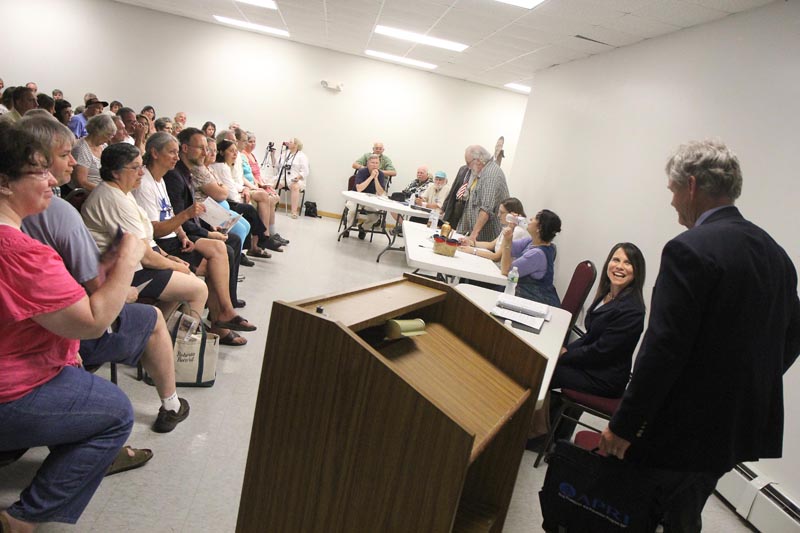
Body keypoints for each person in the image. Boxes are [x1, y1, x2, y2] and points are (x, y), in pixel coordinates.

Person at [600, 140, 800, 531]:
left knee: (635, 512)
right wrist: (743, 387)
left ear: (691, 186)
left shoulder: (688, 250)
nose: (672, 201)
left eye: (673, 190)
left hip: (677, 429)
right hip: (734, 432)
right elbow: (791, 337)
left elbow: (663, 350)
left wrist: (624, 425)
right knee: (684, 511)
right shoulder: (777, 255)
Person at [0, 124, 137, 531]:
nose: (51, 180)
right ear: (5, 183)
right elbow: (94, 322)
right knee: (116, 413)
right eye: (39, 171)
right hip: (11, 389)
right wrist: (128, 260)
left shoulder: (18, 237)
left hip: (21, 362)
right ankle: (24, 518)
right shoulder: (20, 251)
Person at [18, 115, 190, 434]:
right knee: (153, 317)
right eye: (64, 155)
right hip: (63, 329)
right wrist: (125, 273)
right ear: (35, 161)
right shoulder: (56, 214)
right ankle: (171, 401)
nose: (74, 163)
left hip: (50, 319)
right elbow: (96, 304)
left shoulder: (51, 209)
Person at [133, 133, 256, 342]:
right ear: (154, 153)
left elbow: (169, 213)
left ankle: (221, 316)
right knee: (216, 260)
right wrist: (188, 218)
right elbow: (156, 230)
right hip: (160, 245)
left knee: (221, 249)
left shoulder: (161, 178)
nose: (175, 156)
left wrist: (182, 233)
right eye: (171, 152)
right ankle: (211, 325)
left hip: (174, 237)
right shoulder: (149, 181)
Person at [531, 242, 646, 449]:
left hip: (604, 377)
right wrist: (564, 350)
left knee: (545, 371)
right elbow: (590, 336)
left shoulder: (632, 310)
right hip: (592, 365)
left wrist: (565, 355)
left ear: (637, 271)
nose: (619, 266)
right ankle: (543, 430)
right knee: (547, 362)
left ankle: (538, 434)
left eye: (628, 263)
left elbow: (602, 351)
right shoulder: (607, 294)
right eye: (616, 259)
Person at [81, 143, 210, 323]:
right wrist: (174, 266)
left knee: (187, 280)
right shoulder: (114, 199)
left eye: (141, 166)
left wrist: (168, 257)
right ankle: (183, 347)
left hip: (134, 266)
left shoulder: (123, 192)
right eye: (135, 167)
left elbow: (147, 240)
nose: (141, 172)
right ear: (115, 172)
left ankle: (159, 335)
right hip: (121, 274)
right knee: (198, 289)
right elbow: (145, 256)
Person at [165, 127, 246, 308]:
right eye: (201, 148)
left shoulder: (187, 172)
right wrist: (207, 234)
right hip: (178, 236)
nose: (206, 153)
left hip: (188, 228)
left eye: (207, 149)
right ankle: (223, 310)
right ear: (185, 148)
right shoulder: (175, 176)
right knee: (227, 247)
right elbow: (180, 218)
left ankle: (225, 306)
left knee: (232, 240)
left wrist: (209, 230)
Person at [500, 209, 561, 307]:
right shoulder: (532, 242)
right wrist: (511, 227)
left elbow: (506, 270)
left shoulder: (537, 254)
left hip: (538, 303)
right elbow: (508, 249)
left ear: (539, 228)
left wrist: (507, 240)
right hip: (526, 298)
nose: (531, 219)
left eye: (535, 218)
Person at [241, 131, 288, 245]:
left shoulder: (252, 155)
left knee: (275, 197)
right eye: (249, 141)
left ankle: (271, 233)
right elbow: (249, 175)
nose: (252, 144)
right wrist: (258, 185)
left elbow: (258, 174)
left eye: (254, 142)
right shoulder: (243, 155)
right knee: (270, 199)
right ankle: (266, 235)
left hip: (257, 183)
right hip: (252, 184)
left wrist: (262, 183)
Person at [457, 144, 510, 242]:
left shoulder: (490, 175)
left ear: (478, 160)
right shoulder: (482, 172)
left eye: (468, 163)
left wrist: (473, 236)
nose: (468, 167)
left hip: (487, 239)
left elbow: (486, 209)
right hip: (477, 237)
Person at [458, 197, 528, 261]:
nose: (498, 215)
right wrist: (470, 243)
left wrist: (472, 250)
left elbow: (497, 257)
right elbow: (491, 245)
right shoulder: (509, 227)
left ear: (512, 215)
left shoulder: (517, 231)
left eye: (502, 213)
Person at [343, 153, 387, 240]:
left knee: (375, 216)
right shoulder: (362, 171)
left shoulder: (381, 174)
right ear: (367, 163)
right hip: (356, 197)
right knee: (352, 210)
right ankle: (347, 228)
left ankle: (363, 228)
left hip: (370, 199)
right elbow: (359, 189)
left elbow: (380, 192)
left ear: (379, 164)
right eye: (372, 163)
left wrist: (376, 179)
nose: (375, 165)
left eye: (376, 163)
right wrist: (371, 177)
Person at [69, 113, 116, 191]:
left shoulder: (103, 146)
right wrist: (105, 191)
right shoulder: (81, 149)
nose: (109, 139)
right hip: (88, 193)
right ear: (98, 132)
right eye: (108, 135)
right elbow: (81, 182)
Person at [276, 137, 309, 218]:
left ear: (296, 145)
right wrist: (273, 154)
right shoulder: (285, 154)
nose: (288, 143)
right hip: (284, 178)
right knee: (273, 185)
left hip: (296, 180)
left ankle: (294, 212)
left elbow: (305, 171)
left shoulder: (302, 156)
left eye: (290, 142)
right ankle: (269, 205)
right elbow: (277, 165)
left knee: (295, 187)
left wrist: (298, 177)